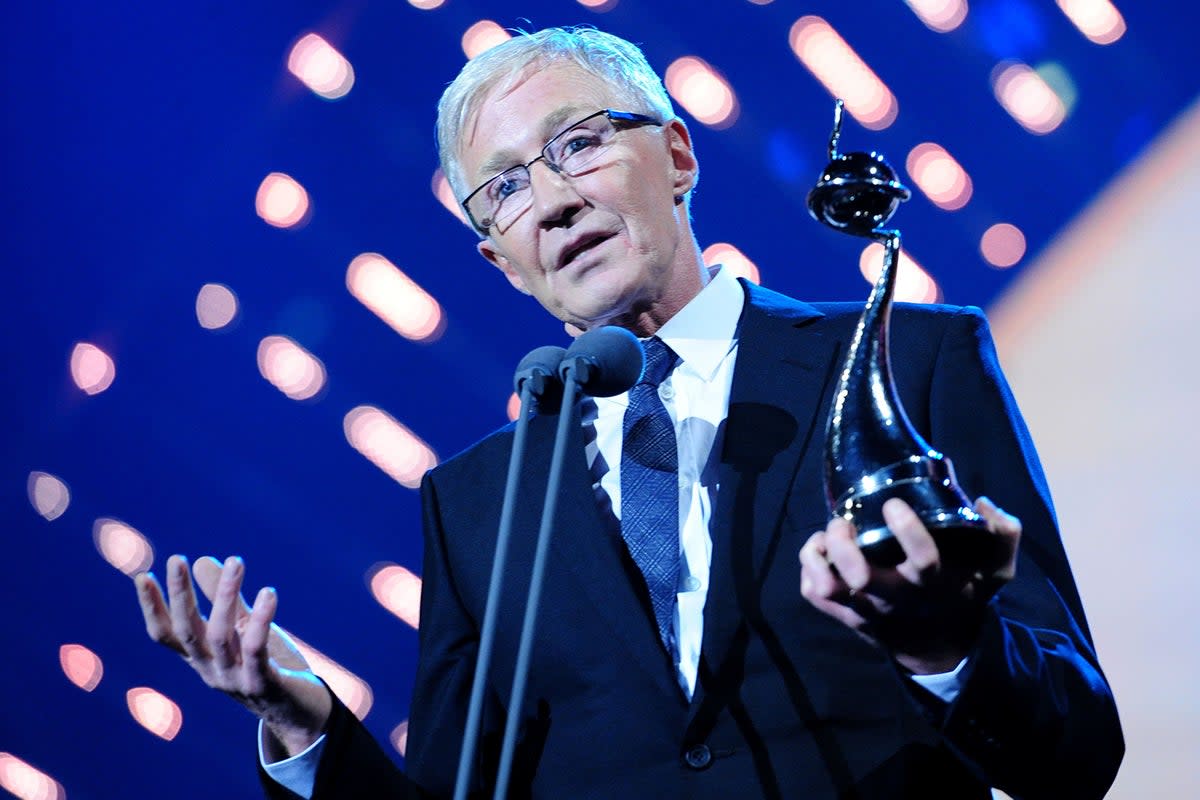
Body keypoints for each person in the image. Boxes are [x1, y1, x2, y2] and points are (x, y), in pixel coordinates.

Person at [135, 25, 1124, 799]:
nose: (553, 203)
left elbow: (1075, 751)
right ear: (499, 258)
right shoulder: (476, 502)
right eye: (505, 192)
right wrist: (305, 725)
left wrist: (943, 645)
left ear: (680, 157)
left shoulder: (912, 357)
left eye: (577, 145)